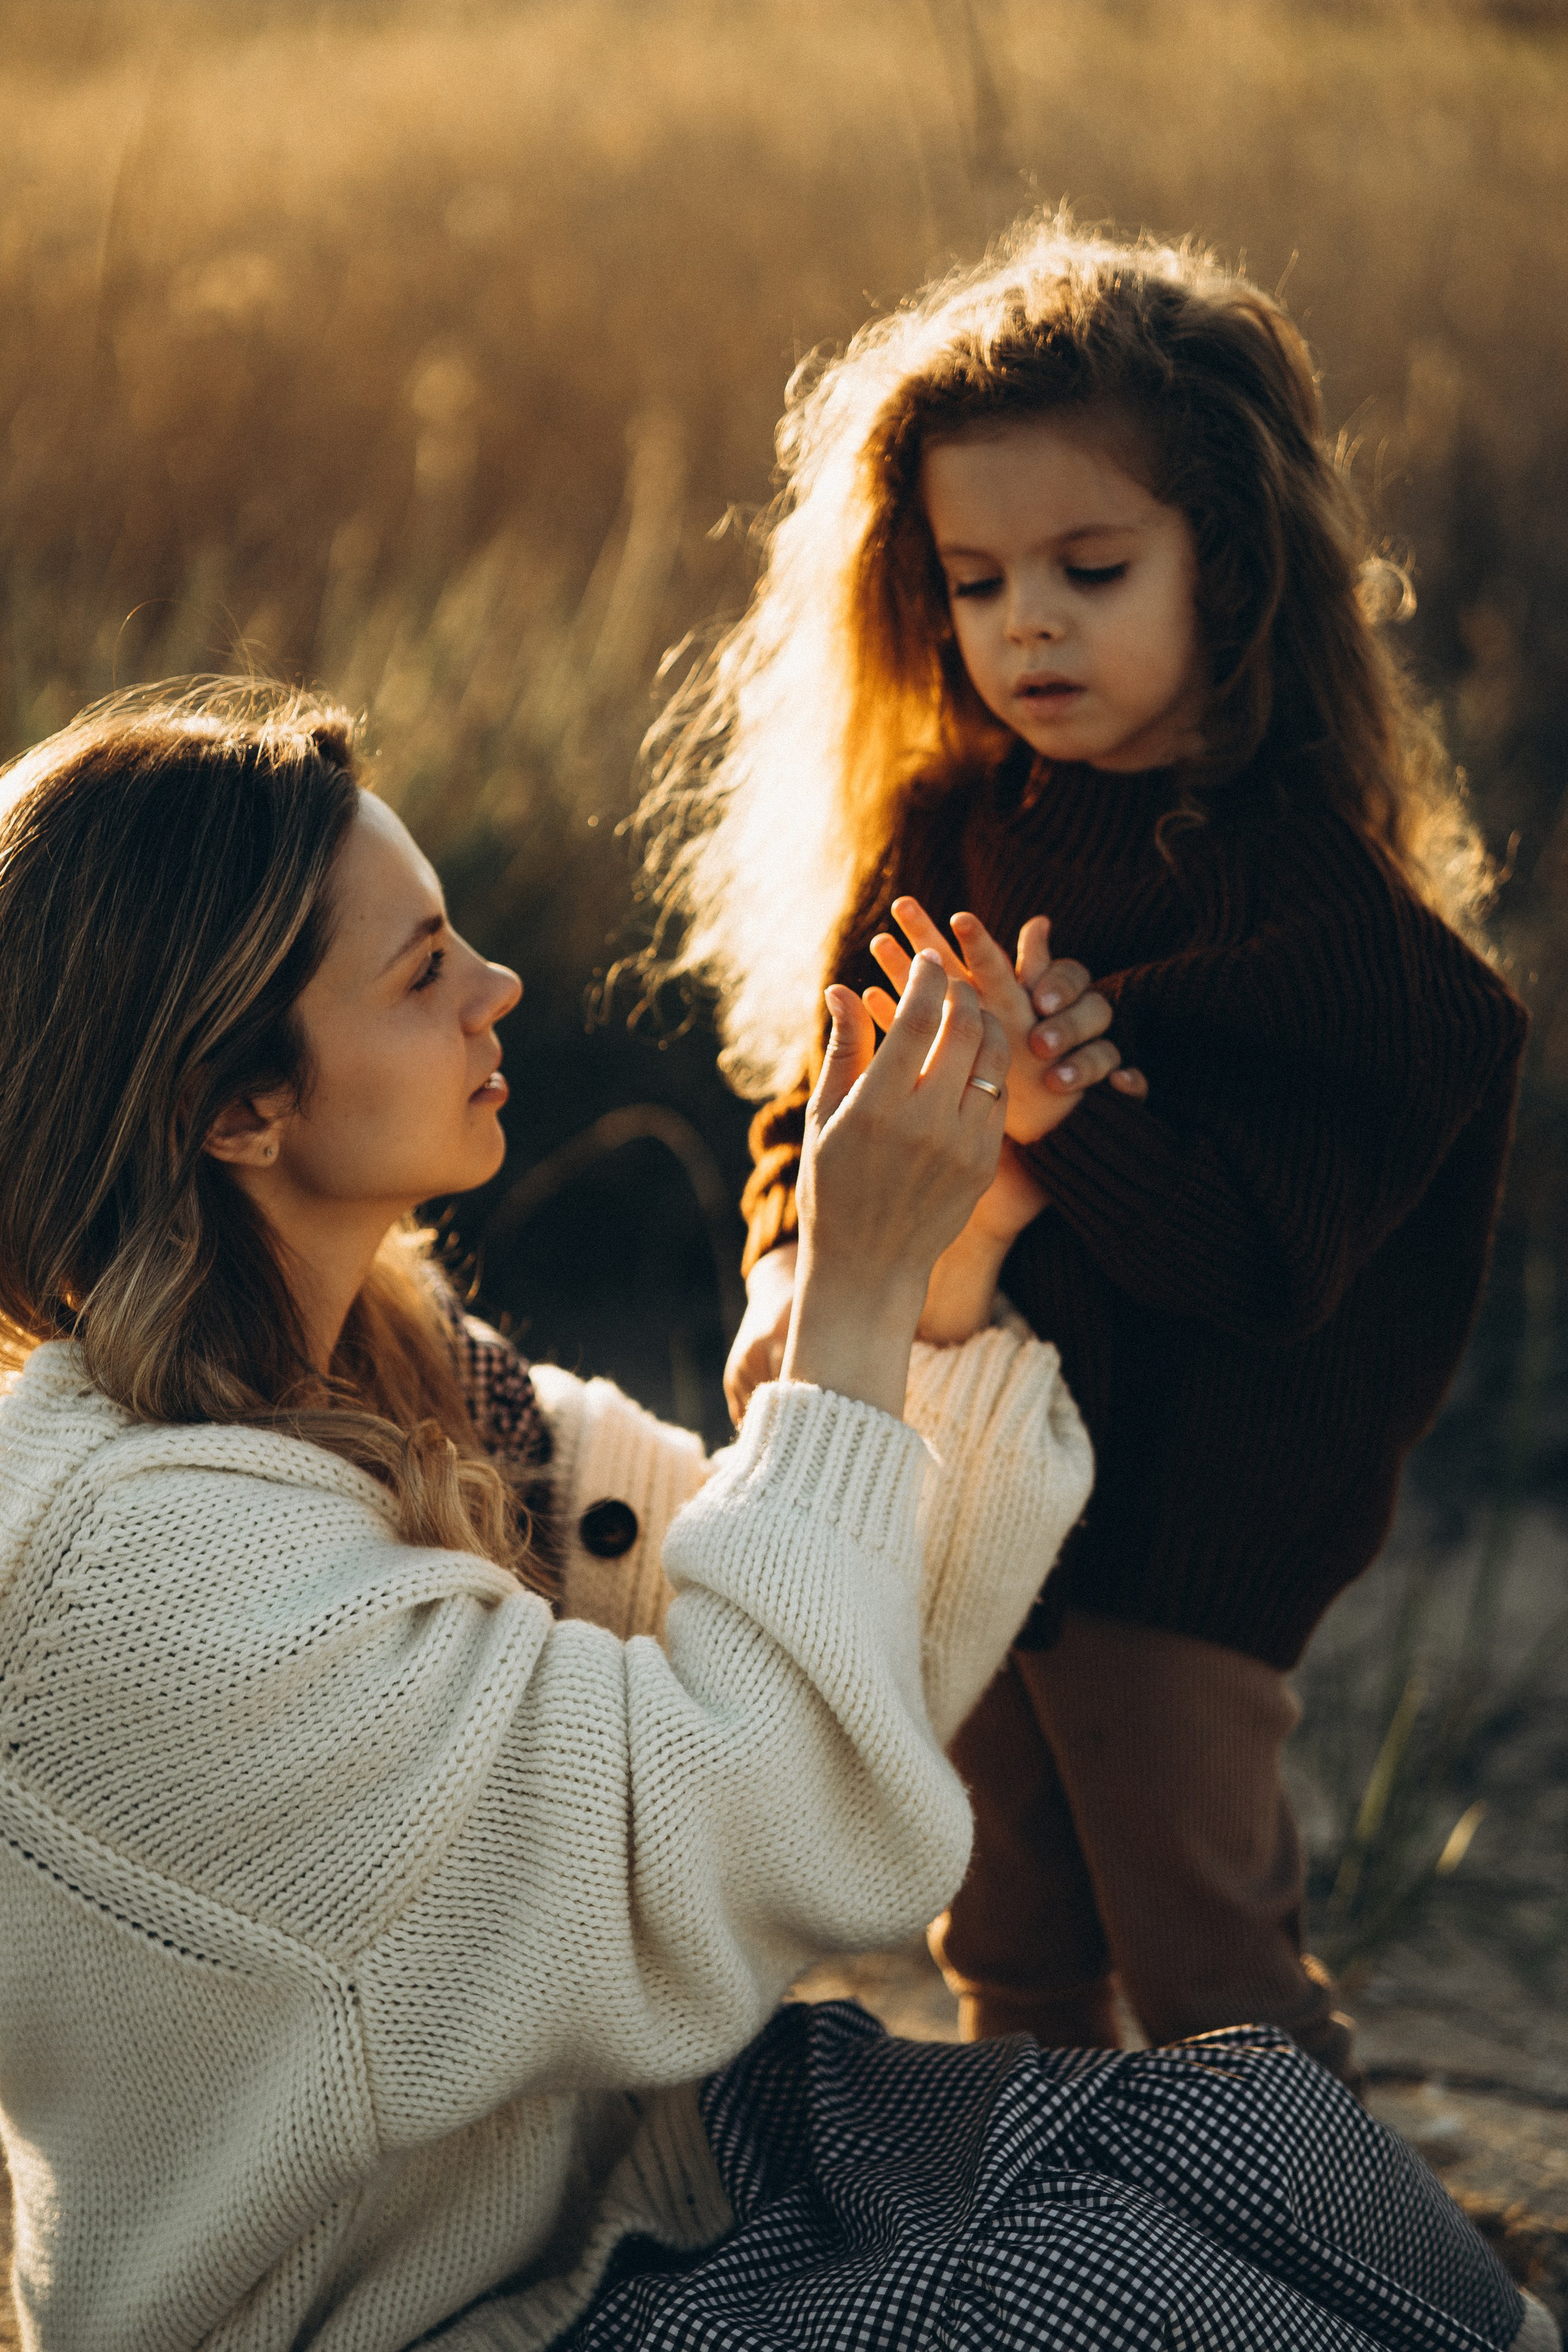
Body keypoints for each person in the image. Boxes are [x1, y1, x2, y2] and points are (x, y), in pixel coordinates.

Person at [0, 684, 1549, 2352]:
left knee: (1265, 2137)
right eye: (423, 968)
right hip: (427, 2315)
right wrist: (852, 1286)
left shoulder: (399, 1377)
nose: (496, 988)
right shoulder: (137, 1580)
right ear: (237, 1109)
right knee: (1115, 2303)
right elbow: (754, 1800)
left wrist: (946, 1267)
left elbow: (818, 1640)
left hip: (623, 2179)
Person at [646, 216, 1530, 2082]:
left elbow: (1273, 1260)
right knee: (1002, 1905)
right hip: (956, 1492)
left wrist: (1069, 1129)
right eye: (973, 580)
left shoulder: (1319, 917)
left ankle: (1339, 2250)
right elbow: (816, 1111)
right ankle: (1048, 2186)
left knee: (1201, 1931)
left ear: (1239, 564)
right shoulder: (953, 838)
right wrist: (792, 1274)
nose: (1024, 623)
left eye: (1090, 566)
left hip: (1174, 1539)